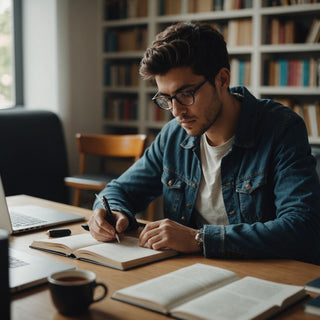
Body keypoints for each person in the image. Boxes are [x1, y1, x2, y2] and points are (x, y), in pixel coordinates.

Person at [88, 21, 320, 264]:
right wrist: (111, 211)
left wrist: (199, 239)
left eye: (186, 94)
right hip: (191, 273)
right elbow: (119, 190)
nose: (176, 111)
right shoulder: (172, 136)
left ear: (222, 79)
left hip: (265, 276)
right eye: (166, 98)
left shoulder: (281, 128)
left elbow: (302, 230)